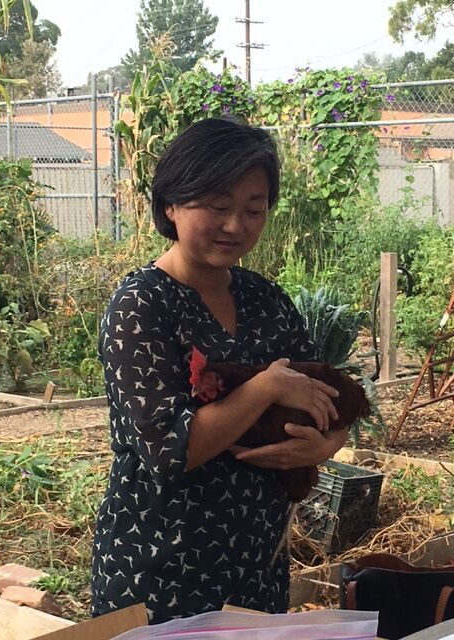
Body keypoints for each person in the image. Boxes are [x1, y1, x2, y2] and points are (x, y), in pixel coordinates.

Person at [91, 117, 348, 624]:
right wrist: (267, 386)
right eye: (217, 206)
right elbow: (170, 450)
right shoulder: (140, 307)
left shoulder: (264, 298)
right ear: (171, 204)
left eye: (254, 209)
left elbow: (331, 392)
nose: (237, 225)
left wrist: (326, 444)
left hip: (256, 561)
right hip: (162, 565)